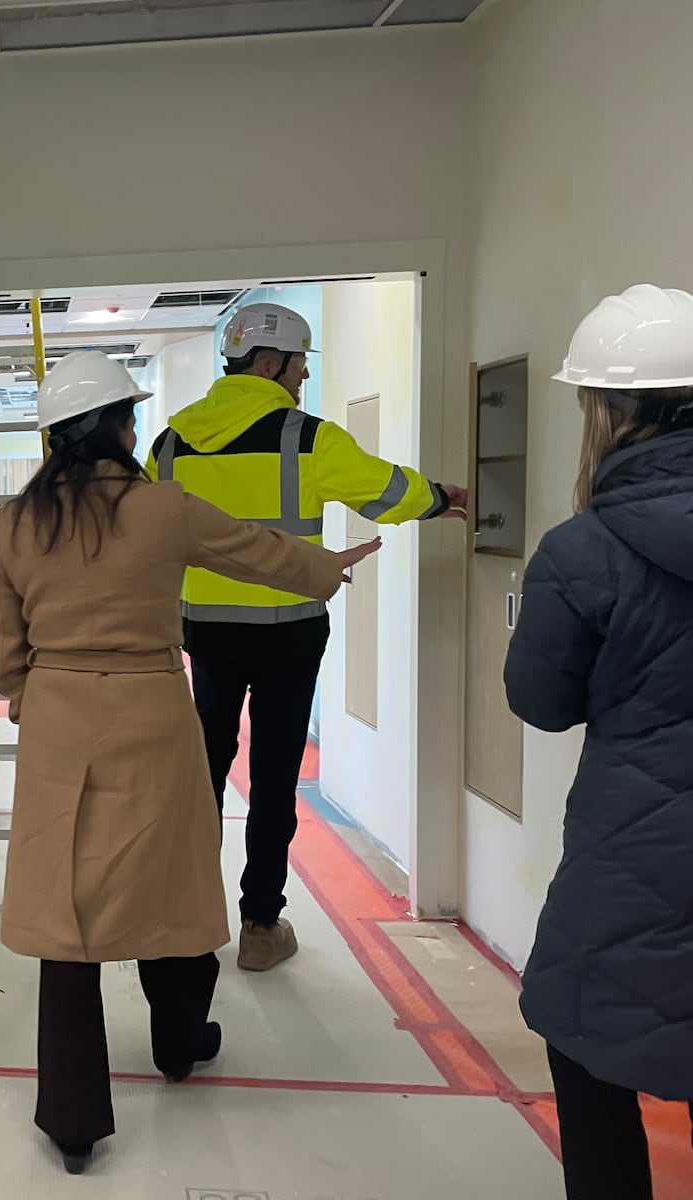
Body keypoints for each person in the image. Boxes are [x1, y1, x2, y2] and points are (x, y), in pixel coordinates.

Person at [0, 350, 380, 1174]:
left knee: (66, 908)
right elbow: (257, 552)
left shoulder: (18, 521)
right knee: (166, 877)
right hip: (153, 715)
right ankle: (178, 1044)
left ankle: (73, 1119)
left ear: (57, 432)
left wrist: (39, 699)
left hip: (61, 721)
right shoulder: (163, 509)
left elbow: (5, 649)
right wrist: (327, 569)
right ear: (122, 428)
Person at [147, 302, 466, 972]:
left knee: (200, 770)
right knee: (273, 777)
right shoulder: (305, 437)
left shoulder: (169, 445)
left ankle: (188, 921)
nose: (302, 381)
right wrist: (439, 496)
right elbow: (383, 492)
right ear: (269, 363)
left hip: (204, 632)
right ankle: (261, 926)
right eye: (300, 367)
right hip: (288, 633)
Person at [503, 283, 693, 1200]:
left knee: (589, 1044)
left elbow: (541, 701)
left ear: (605, 412)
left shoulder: (583, 551)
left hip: (636, 854)